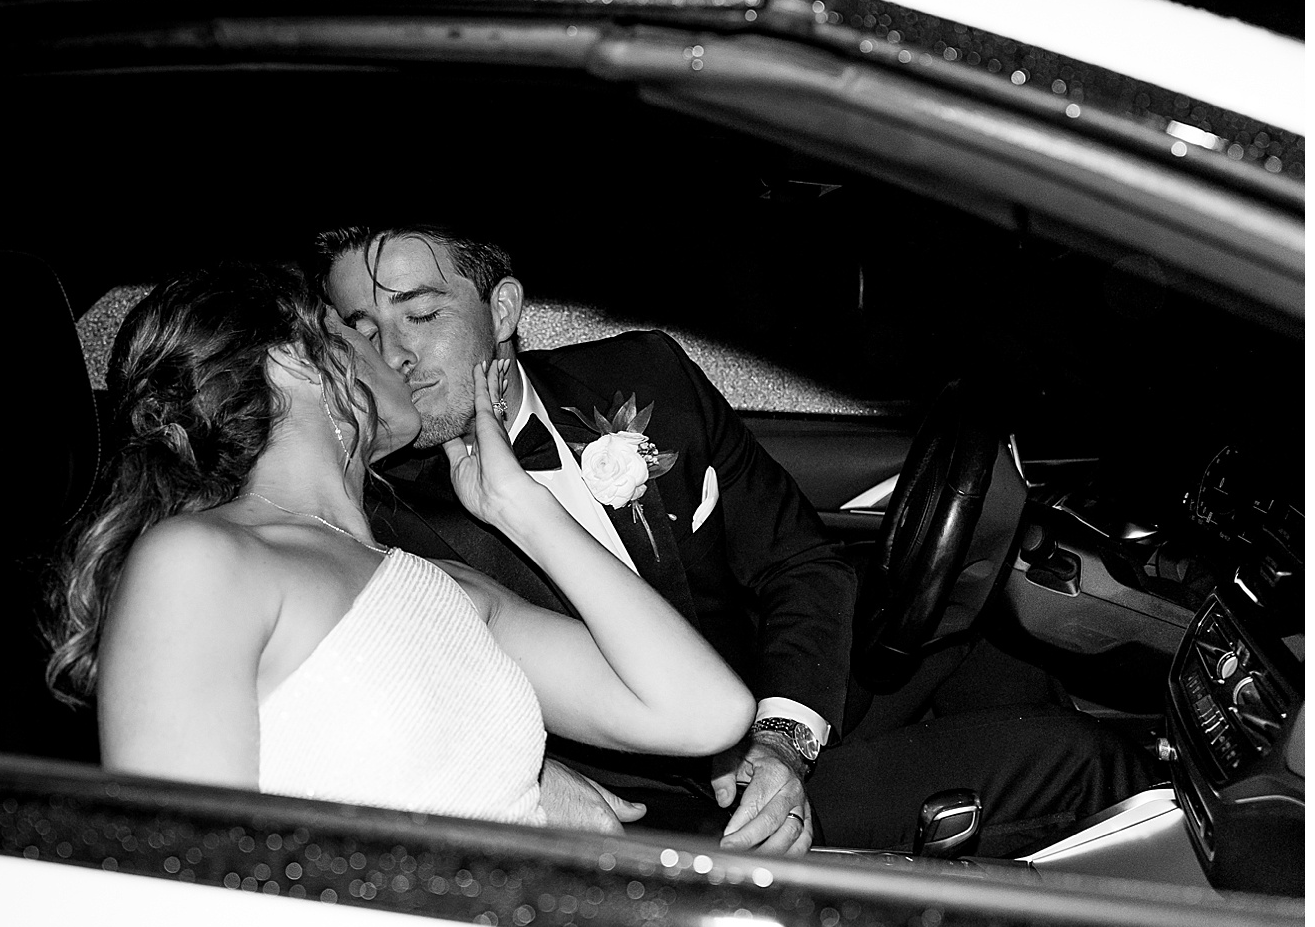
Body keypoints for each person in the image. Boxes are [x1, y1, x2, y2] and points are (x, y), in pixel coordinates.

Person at [319, 224, 1151, 856]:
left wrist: (784, 735)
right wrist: (533, 776)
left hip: (776, 703)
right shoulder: (373, 519)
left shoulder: (644, 376)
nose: (393, 355)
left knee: (986, 635)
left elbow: (800, 560)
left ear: (502, 309)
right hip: (678, 806)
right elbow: (377, 722)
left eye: (421, 314)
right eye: (361, 329)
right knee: (1087, 761)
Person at [44, 262, 756, 827]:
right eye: (357, 330)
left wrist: (523, 511)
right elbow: (182, 874)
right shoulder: (200, 562)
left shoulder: (444, 586)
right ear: (297, 361)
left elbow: (705, 711)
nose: (393, 354)